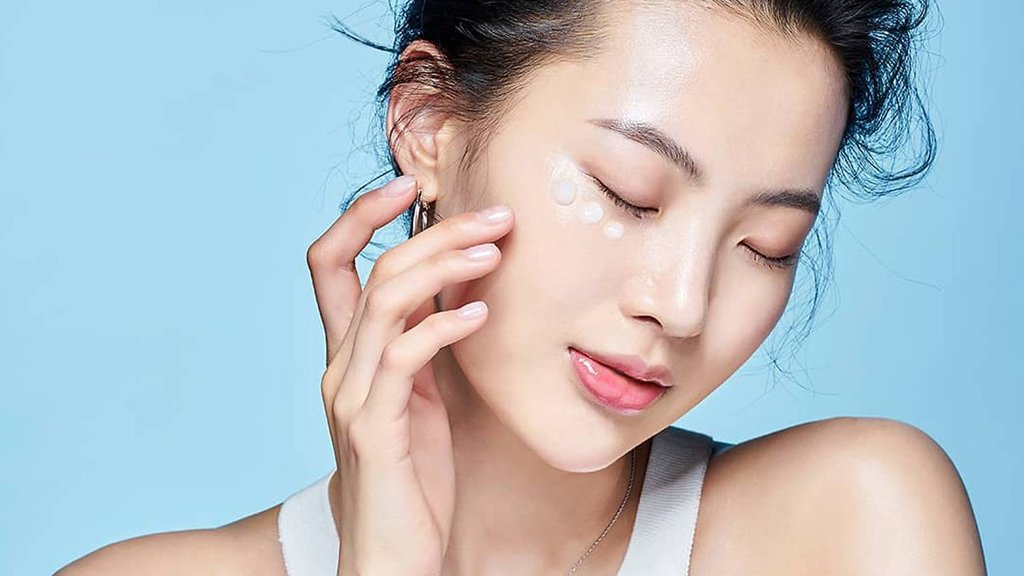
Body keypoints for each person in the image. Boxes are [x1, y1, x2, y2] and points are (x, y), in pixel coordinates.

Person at [56, 0, 987, 574]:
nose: (683, 304)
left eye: (766, 246)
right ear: (429, 123)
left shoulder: (851, 522)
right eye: (628, 192)